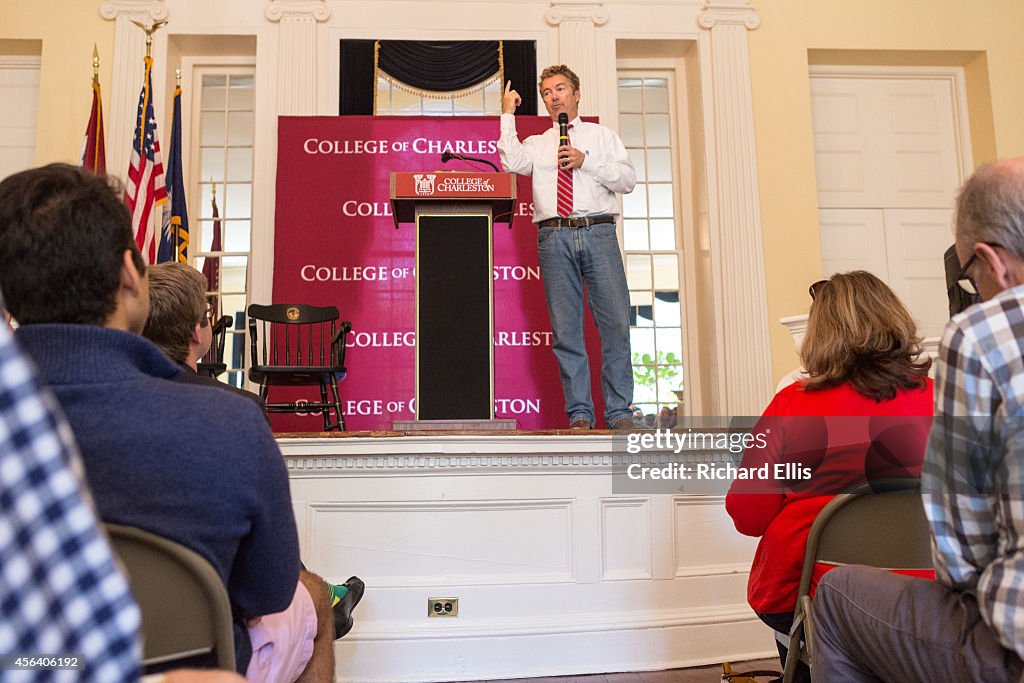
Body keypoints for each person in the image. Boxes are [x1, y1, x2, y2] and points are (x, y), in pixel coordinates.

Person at [0, 164, 333, 682]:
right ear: (131, 275)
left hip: (33, 667)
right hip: (201, 668)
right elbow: (267, 591)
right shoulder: (232, 423)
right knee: (311, 603)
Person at [812, 159, 1024, 682]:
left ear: (991, 262)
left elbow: (963, 543)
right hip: (918, 568)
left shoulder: (981, 338)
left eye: (969, 276)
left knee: (835, 594)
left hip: (999, 632)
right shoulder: (926, 392)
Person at [724, 271, 933, 681]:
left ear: (820, 334)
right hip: (925, 594)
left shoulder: (791, 406)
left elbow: (748, 517)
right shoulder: (943, 398)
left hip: (807, 596)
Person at [142, 260, 365, 637]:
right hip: (216, 612)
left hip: (123, 607)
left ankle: (323, 596)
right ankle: (323, 599)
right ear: (199, 332)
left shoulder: (104, 404)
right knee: (305, 604)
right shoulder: (239, 410)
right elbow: (269, 580)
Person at [497, 65, 639, 431]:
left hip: (598, 232)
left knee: (615, 326)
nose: (554, 96)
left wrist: (585, 161)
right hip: (553, 236)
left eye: (561, 89)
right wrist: (508, 115)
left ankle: (620, 412)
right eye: (547, 92)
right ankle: (579, 414)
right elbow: (511, 161)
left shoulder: (602, 136)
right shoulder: (538, 143)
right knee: (566, 332)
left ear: (577, 94)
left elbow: (627, 180)